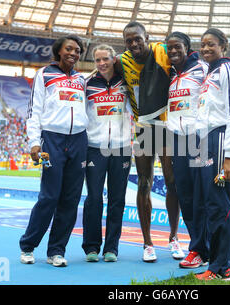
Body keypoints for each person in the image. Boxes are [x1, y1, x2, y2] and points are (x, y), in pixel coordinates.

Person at [115, 21, 183, 262]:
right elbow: (101, 74)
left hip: (168, 126)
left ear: (147, 37)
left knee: (172, 182)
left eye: (137, 39)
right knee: (144, 183)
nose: (134, 44)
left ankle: (174, 238)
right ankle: (147, 243)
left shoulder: (163, 51)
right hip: (143, 128)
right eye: (129, 40)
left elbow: (186, 59)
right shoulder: (121, 61)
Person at [19, 35, 88, 267]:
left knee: (70, 200)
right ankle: (28, 246)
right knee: (49, 197)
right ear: (59, 51)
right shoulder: (44, 74)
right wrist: (34, 143)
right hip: (52, 141)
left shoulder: (81, 79)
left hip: (79, 141)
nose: (74, 53)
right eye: (69, 49)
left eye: (78, 50)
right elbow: (34, 110)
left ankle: (56, 251)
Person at [193, 28, 230, 280]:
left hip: (221, 141)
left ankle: (220, 269)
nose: (206, 49)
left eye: (211, 45)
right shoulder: (210, 72)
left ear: (223, 45)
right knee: (219, 204)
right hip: (210, 140)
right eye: (203, 45)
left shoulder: (227, 70)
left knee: (218, 205)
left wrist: (228, 155)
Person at [82, 44, 132, 263]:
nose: (101, 63)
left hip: (122, 147)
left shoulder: (126, 83)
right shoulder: (87, 84)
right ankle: (92, 246)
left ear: (114, 59)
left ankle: (112, 247)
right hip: (95, 147)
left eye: (105, 59)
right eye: (97, 60)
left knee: (117, 199)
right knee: (93, 198)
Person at [164, 32, 210, 268]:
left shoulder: (202, 69)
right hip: (177, 140)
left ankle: (202, 249)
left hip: (198, 138)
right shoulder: (169, 74)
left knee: (202, 196)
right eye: (169, 48)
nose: (173, 51)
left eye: (177, 47)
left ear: (187, 47)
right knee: (185, 195)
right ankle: (197, 248)